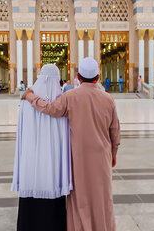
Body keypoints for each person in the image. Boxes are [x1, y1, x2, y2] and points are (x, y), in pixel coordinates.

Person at [22, 57, 120, 231]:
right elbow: (115, 132)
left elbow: (50, 109)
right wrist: (113, 154)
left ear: (79, 77)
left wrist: (31, 97)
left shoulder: (70, 97)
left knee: (80, 199)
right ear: (98, 77)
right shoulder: (108, 99)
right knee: (102, 198)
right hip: (102, 158)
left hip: (79, 159)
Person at [12, 64, 72, 231]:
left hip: (30, 164)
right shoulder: (61, 105)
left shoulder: (25, 103)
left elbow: (22, 135)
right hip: (53, 166)